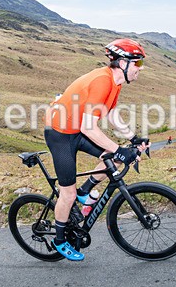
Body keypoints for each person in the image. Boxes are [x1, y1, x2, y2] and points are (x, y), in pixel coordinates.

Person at [44, 38, 150, 261]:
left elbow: (111, 114)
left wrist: (133, 137)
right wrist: (120, 149)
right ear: (123, 63)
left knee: (113, 157)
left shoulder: (115, 82)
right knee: (67, 192)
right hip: (60, 134)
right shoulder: (103, 81)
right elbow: (88, 127)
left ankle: (85, 192)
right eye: (138, 64)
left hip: (75, 131)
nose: (140, 69)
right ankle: (60, 239)